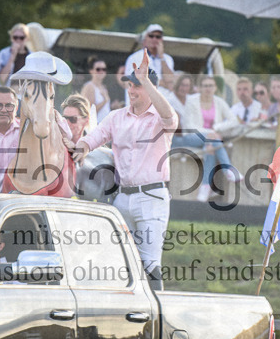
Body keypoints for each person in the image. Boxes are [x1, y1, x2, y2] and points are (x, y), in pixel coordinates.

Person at [71, 52, 176, 288]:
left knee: (150, 263)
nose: (131, 90)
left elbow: (170, 116)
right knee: (120, 262)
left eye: (137, 86)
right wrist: (83, 146)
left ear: (151, 89)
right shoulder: (116, 117)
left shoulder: (160, 118)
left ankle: (157, 308)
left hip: (152, 196)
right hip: (123, 197)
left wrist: (146, 80)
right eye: (130, 85)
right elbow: (96, 136)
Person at [181, 75, 240, 201]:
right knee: (212, 140)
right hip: (192, 136)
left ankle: (205, 187)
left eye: (211, 86)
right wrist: (210, 133)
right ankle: (228, 169)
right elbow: (189, 125)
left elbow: (234, 120)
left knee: (210, 148)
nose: (208, 88)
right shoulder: (191, 101)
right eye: (205, 86)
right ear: (199, 88)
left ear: (215, 88)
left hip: (211, 140)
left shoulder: (219, 102)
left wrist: (217, 128)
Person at [0, 23, 31, 88]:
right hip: (8, 91)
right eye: (15, 37)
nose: (18, 40)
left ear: (27, 38)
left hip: (26, 92)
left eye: (22, 38)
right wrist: (12, 56)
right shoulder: (3, 53)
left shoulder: (31, 56)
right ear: (11, 38)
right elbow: (1, 79)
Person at [81, 56, 112, 123]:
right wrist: (105, 100)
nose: (101, 72)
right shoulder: (89, 87)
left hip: (105, 125)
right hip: (95, 125)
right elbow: (88, 111)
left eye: (104, 69)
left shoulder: (103, 87)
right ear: (91, 71)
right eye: (98, 69)